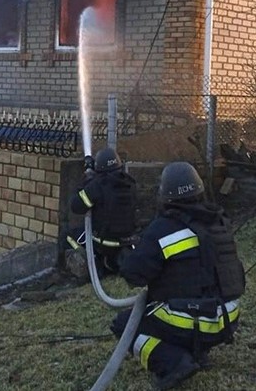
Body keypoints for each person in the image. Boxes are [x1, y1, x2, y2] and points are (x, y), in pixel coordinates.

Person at [112, 161, 245, 390]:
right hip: (227, 320)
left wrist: (129, 252)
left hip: (192, 322)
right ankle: (199, 355)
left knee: (124, 324)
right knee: (190, 297)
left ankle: (173, 362)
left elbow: (134, 275)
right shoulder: (220, 221)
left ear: (165, 196)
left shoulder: (162, 228)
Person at [67, 147, 139, 276]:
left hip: (103, 243)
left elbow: (76, 206)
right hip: (127, 242)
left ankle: (89, 266)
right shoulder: (130, 182)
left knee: (67, 236)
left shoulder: (97, 186)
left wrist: (87, 180)